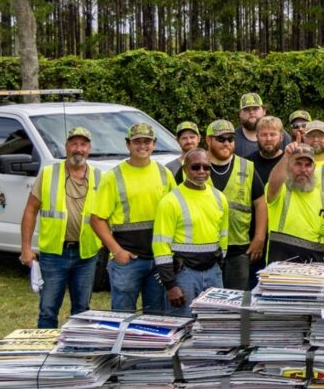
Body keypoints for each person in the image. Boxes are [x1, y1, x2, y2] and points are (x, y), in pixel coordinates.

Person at [19, 126, 101, 328]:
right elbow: (30, 210)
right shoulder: (48, 174)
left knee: (82, 310)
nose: (78, 149)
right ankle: (44, 354)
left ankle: (77, 352)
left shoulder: (100, 177)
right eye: (73, 143)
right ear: (66, 147)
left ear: (89, 148)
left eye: (83, 144)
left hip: (86, 254)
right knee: (48, 310)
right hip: (54, 254)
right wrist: (26, 248)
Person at [90, 123, 175, 313]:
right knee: (122, 316)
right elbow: (96, 219)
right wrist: (117, 251)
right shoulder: (113, 176)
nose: (142, 146)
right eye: (137, 142)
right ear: (128, 144)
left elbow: (175, 215)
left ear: (154, 144)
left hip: (158, 259)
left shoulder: (165, 174)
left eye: (147, 141)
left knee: (156, 318)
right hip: (127, 261)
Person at [152, 147, 230, 318]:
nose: (201, 171)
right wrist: (171, 285)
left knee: (214, 323)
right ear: (185, 169)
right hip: (184, 274)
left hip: (213, 272)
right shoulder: (170, 201)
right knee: (182, 325)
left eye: (206, 167)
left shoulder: (219, 197)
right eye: (195, 167)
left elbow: (223, 235)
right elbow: (160, 246)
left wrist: (219, 263)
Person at [205, 118, 267, 291]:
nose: (226, 143)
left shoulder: (246, 166)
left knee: (235, 302)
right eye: (221, 139)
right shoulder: (195, 166)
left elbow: (261, 203)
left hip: (238, 249)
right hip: (203, 249)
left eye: (230, 139)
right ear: (208, 140)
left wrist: (259, 238)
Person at [265, 142, 324, 264]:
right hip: (278, 274)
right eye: (298, 164)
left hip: (312, 275)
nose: (303, 170)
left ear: (314, 168)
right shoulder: (281, 191)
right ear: (289, 165)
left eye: (308, 165)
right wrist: (286, 156)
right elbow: (273, 184)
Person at [233, 92, 290, 159]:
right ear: (240, 113)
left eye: (255, 108)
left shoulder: (280, 134)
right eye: (246, 109)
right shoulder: (231, 139)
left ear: (264, 111)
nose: (251, 112)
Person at [249, 115, 286, 185]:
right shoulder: (248, 163)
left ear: (281, 137)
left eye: (273, 134)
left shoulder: (290, 162)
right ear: (257, 137)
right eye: (263, 135)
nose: (268, 139)